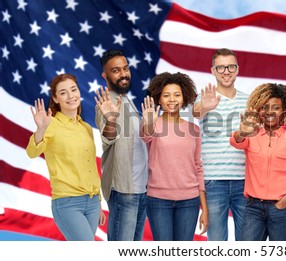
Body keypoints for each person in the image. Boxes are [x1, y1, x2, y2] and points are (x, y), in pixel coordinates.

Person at [229, 83, 286, 241]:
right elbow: (236, 141)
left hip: (283, 210)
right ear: (258, 110)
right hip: (253, 209)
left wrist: (283, 203)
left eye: (275, 107)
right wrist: (242, 131)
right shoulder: (251, 135)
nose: (269, 112)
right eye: (265, 107)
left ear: (284, 111)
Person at [26, 73, 106, 241]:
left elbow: (90, 166)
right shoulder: (51, 124)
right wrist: (40, 129)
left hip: (91, 203)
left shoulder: (86, 128)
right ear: (55, 99)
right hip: (68, 202)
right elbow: (31, 152)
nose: (71, 96)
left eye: (73, 89)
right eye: (63, 93)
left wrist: (98, 202)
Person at [140, 72, 208, 241]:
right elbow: (145, 136)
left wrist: (204, 208)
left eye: (177, 95)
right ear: (159, 99)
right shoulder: (152, 123)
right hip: (158, 200)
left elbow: (197, 166)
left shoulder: (193, 129)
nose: (172, 99)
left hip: (189, 201)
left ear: (184, 98)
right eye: (166, 95)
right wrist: (148, 122)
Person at [192, 48, 248, 241]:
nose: (226, 71)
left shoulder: (248, 101)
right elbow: (196, 113)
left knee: (248, 241)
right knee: (217, 243)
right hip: (214, 182)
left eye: (231, 66)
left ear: (237, 69)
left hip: (245, 181)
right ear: (213, 71)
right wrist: (204, 107)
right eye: (221, 67)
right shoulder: (205, 98)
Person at [94, 49, 148, 241]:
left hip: (141, 190)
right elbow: (108, 138)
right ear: (105, 75)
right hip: (124, 190)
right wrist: (110, 121)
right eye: (116, 70)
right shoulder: (106, 102)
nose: (123, 74)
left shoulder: (128, 101)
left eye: (125, 68)